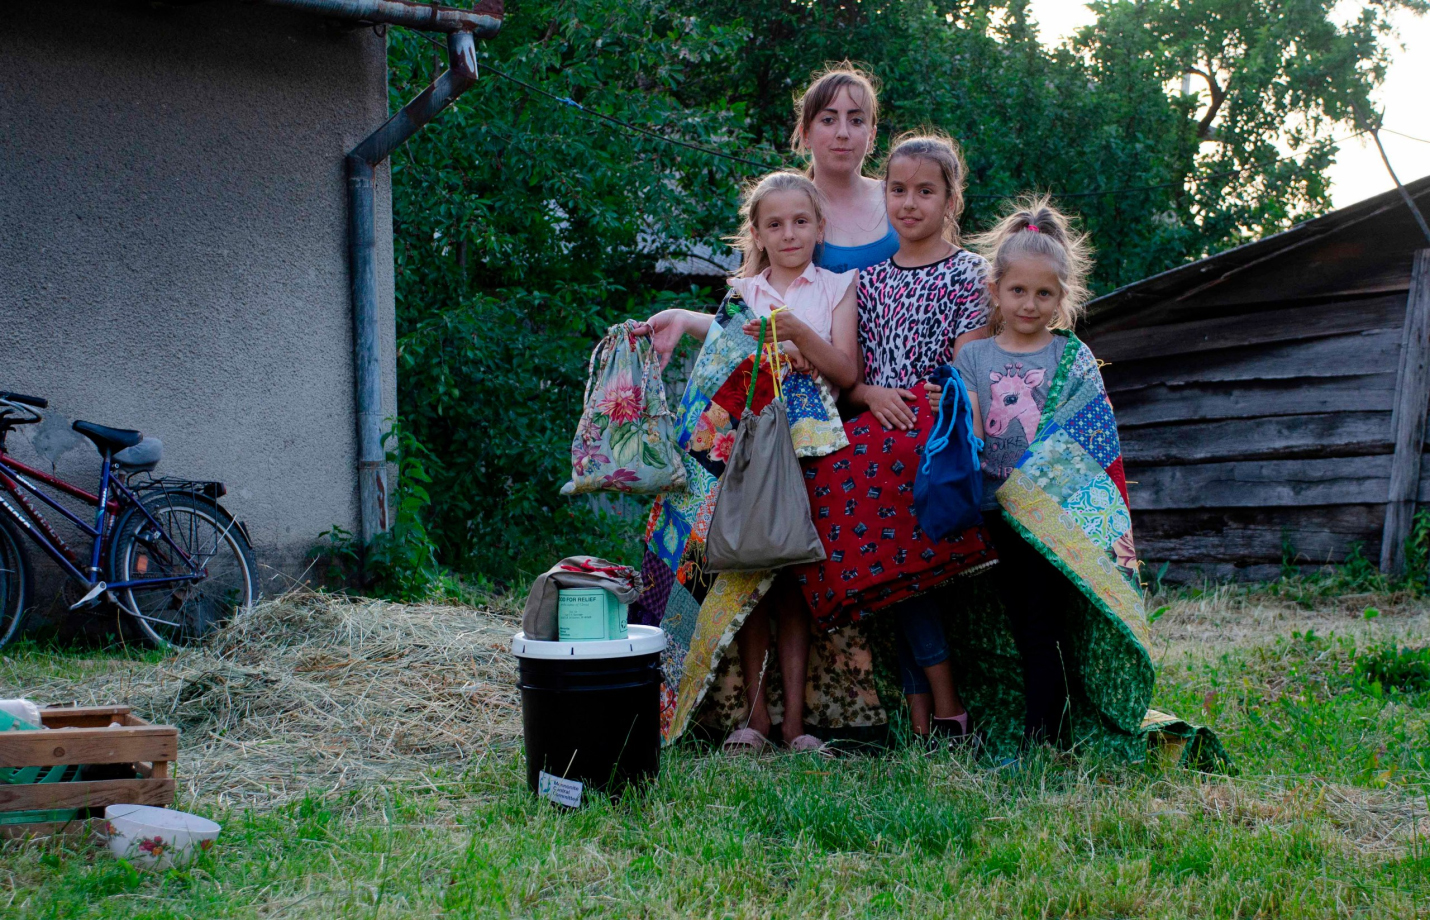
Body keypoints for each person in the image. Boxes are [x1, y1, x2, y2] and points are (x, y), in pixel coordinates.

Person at [638, 170, 859, 753]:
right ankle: (756, 721)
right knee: (746, 578)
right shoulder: (744, 293)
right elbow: (724, 354)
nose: (789, 234)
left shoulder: (838, 287)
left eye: (801, 222)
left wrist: (797, 338)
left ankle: (795, 726)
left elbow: (845, 371)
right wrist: (686, 320)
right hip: (747, 458)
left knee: (794, 587)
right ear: (757, 233)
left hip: (811, 458)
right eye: (775, 224)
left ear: (819, 227)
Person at [842, 132, 990, 744]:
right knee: (891, 575)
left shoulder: (971, 273)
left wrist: (945, 390)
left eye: (925, 191)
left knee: (918, 572)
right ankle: (928, 717)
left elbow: (967, 366)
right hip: (875, 448)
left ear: (951, 199)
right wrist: (869, 394)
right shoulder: (868, 281)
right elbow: (852, 376)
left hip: (935, 446)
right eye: (897, 190)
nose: (908, 203)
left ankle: (943, 710)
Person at [946, 195, 1095, 747]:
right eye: (1017, 291)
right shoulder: (974, 359)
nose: (1029, 304)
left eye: (1044, 293)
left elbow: (1088, 443)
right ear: (995, 291)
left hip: (1047, 521)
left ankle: (1045, 740)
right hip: (986, 513)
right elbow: (967, 436)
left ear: (1061, 298)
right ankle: (981, 724)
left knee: (1040, 627)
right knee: (982, 627)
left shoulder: (1071, 358)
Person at [794, 65, 900, 274]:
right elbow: (742, 300)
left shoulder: (901, 200)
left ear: (871, 136)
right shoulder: (784, 208)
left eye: (856, 120)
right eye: (828, 120)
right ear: (806, 134)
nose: (843, 132)